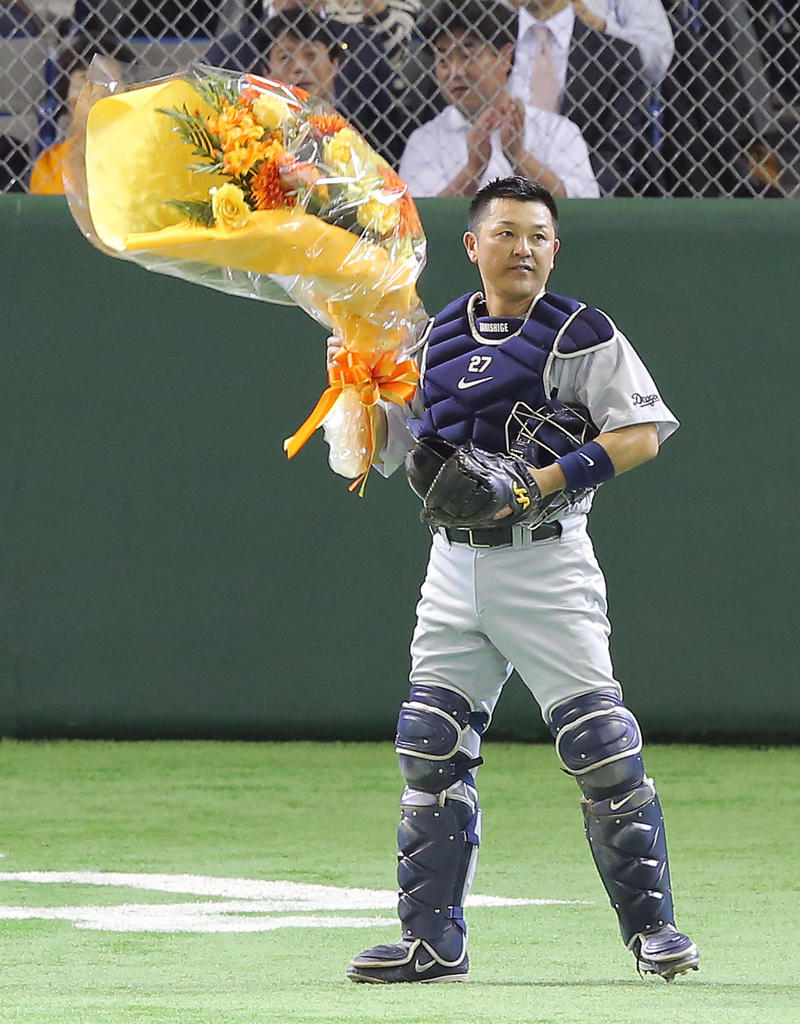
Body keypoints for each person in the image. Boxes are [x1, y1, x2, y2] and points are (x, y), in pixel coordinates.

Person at [335, 175, 700, 984]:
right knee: (430, 744)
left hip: (545, 559)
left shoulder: (580, 333)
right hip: (452, 562)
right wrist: (353, 387)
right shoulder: (432, 336)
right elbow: (387, 449)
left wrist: (539, 482)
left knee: (601, 745)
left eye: (537, 235)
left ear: (555, 248)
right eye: (505, 233)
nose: (522, 248)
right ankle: (432, 945)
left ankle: (655, 932)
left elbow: (641, 434)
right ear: (473, 245)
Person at [398, 1, 599, 199]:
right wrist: (473, 169)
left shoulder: (557, 131)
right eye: (443, 60)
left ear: (505, 57)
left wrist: (519, 158)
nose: (455, 72)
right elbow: (416, 216)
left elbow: (582, 208)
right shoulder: (424, 141)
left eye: (467, 55)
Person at [206, 6, 399, 160]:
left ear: (335, 63)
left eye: (311, 55)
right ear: (266, 70)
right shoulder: (226, 52)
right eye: (285, 57)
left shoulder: (363, 45)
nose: (299, 67)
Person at [505, 0, 651, 195]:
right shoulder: (484, 41)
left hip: (577, 196)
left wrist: (583, 195)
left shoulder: (617, 57)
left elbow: (619, 151)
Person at [29, 35, 134, 195]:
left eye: (109, 83)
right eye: (85, 82)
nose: (97, 94)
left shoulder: (145, 154)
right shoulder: (50, 164)